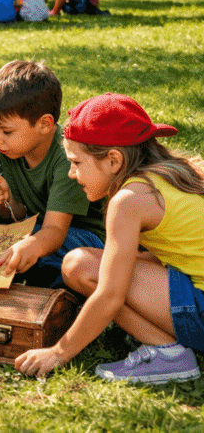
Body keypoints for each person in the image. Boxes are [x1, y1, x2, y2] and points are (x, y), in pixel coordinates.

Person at [16, 93, 204, 384]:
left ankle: (168, 354)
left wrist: (58, 352)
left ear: (114, 160)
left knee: (80, 266)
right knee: (106, 263)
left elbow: (109, 295)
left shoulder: (129, 200)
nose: (72, 173)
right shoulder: (171, 175)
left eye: (77, 162)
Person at [0, 60, 104, 286]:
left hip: (87, 240)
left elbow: (55, 230)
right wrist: (6, 201)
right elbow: (17, 215)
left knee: (14, 246)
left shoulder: (67, 157)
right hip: (40, 231)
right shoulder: (10, 149)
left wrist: (28, 244)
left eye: (6, 130)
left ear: (45, 124)